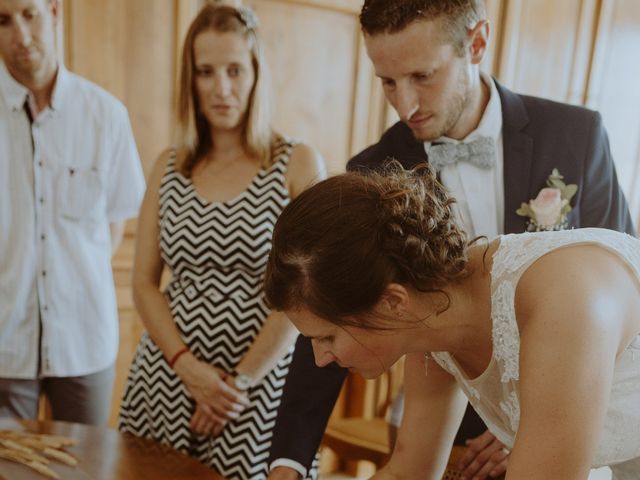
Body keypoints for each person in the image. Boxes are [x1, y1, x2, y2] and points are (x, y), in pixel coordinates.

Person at [267, 1, 636, 479]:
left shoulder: (574, 144)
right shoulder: (429, 314)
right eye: (387, 82)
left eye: (422, 76)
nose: (406, 105)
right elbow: (409, 470)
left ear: (476, 43)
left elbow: (609, 266)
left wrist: (536, 427)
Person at [265, 164, 640, 480]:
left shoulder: (565, 302)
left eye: (327, 337)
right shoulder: (429, 317)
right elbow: (408, 473)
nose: (320, 358)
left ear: (392, 301)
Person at [117, 4, 325, 480]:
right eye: (205, 72)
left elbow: (308, 287)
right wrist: (188, 368)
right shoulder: (168, 166)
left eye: (234, 69)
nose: (221, 88)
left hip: (257, 392)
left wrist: (236, 384)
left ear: (256, 72)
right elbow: (145, 284)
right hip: (167, 382)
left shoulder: (297, 164)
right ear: (190, 80)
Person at [0, 0, 145, 424]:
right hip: (4, 346)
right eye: (4, 21)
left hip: (85, 339)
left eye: (30, 14)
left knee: (86, 468)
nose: (21, 35)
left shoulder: (107, 116)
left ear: (55, 12)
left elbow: (114, 226)